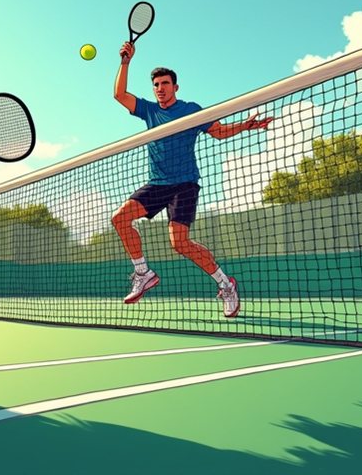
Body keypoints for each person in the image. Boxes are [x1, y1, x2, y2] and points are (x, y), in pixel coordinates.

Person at [111, 41, 271, 317]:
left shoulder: (191, 110)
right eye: (156, 85)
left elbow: (218, 132)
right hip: (157, 183)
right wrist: (125, 62)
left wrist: (246, 126)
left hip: (184, 184)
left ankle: (226, 284)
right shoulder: (149, 110)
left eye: (165, 83)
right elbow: (119, 94)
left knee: (179, 243)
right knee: (120, 219)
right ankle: (143, 273)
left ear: (176, 87)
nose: (160, 88)